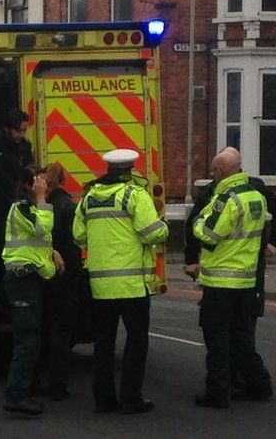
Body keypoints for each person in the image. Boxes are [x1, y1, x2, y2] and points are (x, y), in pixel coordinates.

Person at [73, 149, 168, 415]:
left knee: (103, 343)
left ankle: (103, 400)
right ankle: (130, 398)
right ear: (130, 169)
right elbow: (151, 234)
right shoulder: (135, 195)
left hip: (101, 285)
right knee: (136, 342)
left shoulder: (89, 198)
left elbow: (78, 236)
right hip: (132, 285)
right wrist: (163, 226)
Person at [184, 147, 276, 392]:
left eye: (213, 170)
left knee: (218, 334)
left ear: (220, 171)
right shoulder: (253, 193)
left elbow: (207, 234)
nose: (212, 174)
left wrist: (200, 223)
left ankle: (221, 386)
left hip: (222, 278)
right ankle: (257, 382)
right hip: (248, 276)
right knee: (241, 332)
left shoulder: (224, 197)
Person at [2, 165, 64, 416]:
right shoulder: (22, 208)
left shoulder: (31, 208)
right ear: (29, 186)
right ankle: (16, 395)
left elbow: (37, 242)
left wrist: (52, 253)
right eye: (40, 183)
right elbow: (42, 228)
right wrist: (41, 199)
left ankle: (26, 387)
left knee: (33, 336)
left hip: (31, 279)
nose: (46, 188)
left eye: (46, 184)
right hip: (22, 280)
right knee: (27, 338)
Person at [33, 163, 82, 401]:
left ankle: (34, 380)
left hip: (42, 276)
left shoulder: (39, 206)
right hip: (64, 278)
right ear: (63, 180)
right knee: (61, 333)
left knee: (42, 330)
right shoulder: (67, 206)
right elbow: (74, 243)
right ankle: (58, 385)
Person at [0, 108, 34, 293]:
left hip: (17, 208)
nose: (22, 134)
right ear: (7, 128)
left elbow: (29, 172)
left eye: (25, 130)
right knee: (0, 257)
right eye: (19, 130)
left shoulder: (24, 146)